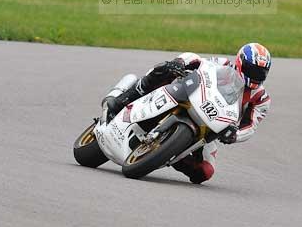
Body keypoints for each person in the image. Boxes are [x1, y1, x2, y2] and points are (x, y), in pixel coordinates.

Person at [102, 43, 271, 184]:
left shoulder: (261, 98)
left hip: (214, 125)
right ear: (241, 62)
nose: (255, 76)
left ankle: (166, 154)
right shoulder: (223, 64)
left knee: (204, 172)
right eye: (252, 70)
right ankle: (123, 99)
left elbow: (251, 125)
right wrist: (180, 62)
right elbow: (197, 60)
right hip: (191, 96)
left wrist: (235, 134)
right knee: (165, 70)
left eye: (260, 73)